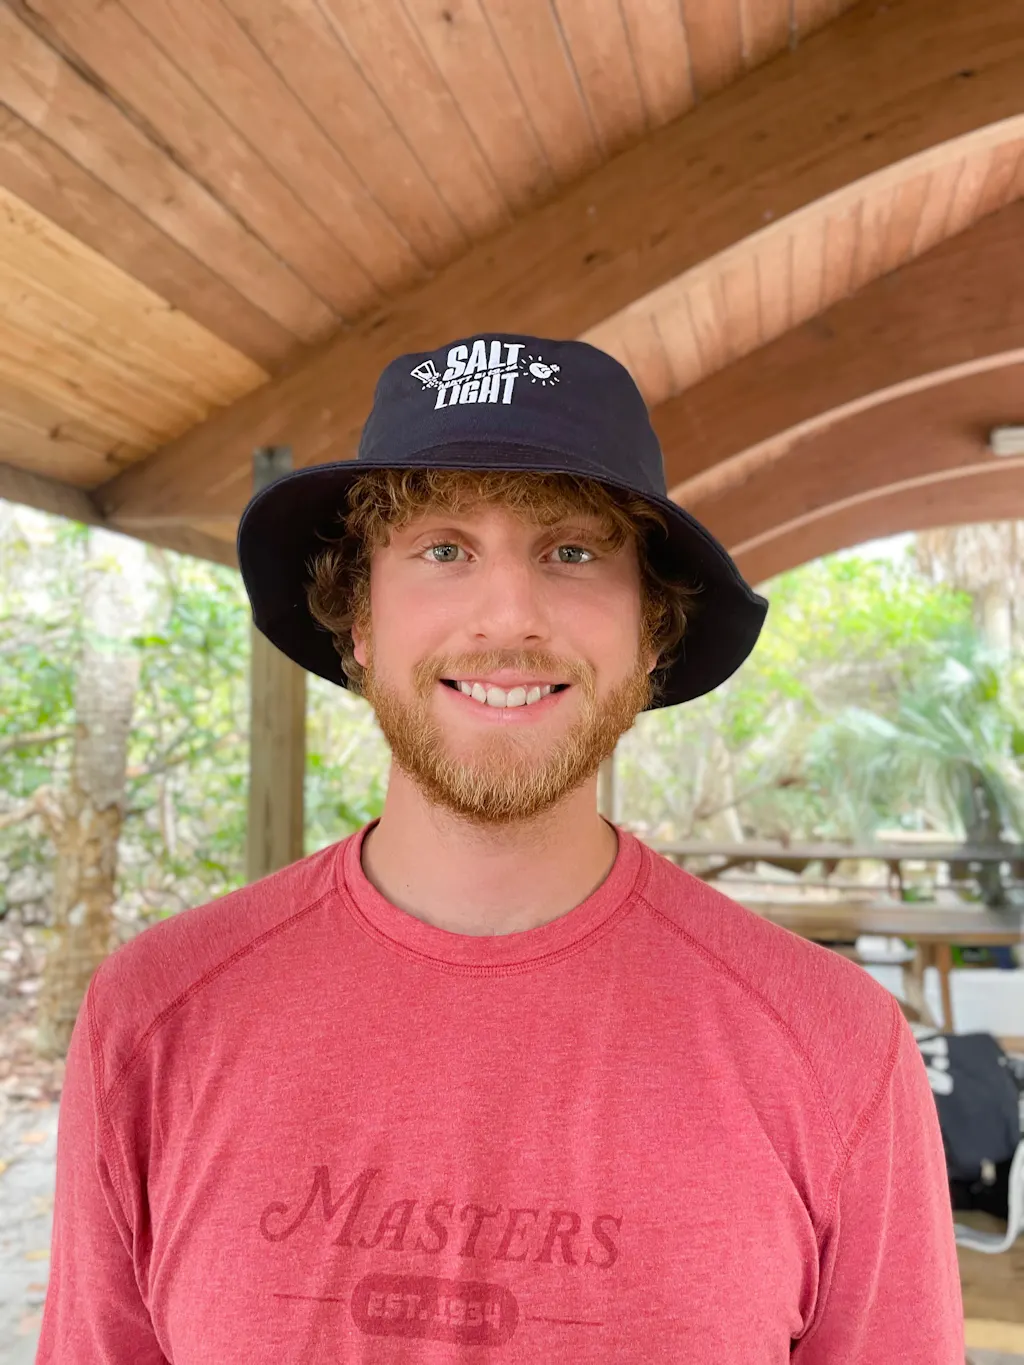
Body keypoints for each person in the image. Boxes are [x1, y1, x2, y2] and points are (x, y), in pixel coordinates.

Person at [38, 334, 964, 1363]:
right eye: (443, 550)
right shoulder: (153, 1021)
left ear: (651, 631)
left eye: (573, 552)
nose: (509, 617)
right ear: (360, 621)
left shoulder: (836, 1052)